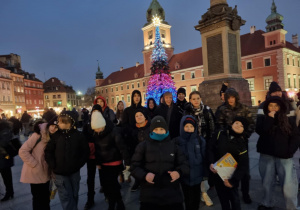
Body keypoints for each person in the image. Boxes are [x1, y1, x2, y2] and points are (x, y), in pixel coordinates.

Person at [130, 116, 189, 210]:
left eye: (161, 129)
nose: (159, 132)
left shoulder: (174, 146)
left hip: (172, 194)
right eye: (156, 129)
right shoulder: (143, 146)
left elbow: (185, 164)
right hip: (149, 195)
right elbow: (134, 167)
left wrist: (179, 172)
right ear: (152, 130)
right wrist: (144, 175)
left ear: (166, 130)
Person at [256, 96, 300, 210]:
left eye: (276, 106)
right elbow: (260, 131)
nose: (274, 108)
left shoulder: (287, 118)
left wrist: (290, 151)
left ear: (280, 107)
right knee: (267, 182)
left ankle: (292, 207)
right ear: (267, 107)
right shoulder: (263, 117)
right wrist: (269, 119)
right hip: (267, 155)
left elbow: (295, 135)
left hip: (284, 156)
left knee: (289, 186)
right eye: (271, 105)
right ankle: (267, 203)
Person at [216, 88, 254, 204]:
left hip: (242, 142)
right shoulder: (222, 109)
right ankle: (232, 189)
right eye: (228, 97)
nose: (230, 100)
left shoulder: (244, 108)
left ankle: (245, 193)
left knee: (245, 170)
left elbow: (251, 123)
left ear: (236, 97)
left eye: (232, 97)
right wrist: (225, 135)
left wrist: (245, 135)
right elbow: (219, 124)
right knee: (230, 167)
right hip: (228, 143)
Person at [44, 111, 89, 210]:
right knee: (65, 197)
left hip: (74, 171)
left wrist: (79, 164)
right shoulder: (56, 136)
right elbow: (48, 152)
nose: (58, 123)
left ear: (68, 123)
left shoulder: (78, 136)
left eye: (60, 122)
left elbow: (85, 152)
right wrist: (53, 165)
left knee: (74, 194)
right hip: (60, 173)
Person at [91, 104, 130, 210]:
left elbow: (122, 148)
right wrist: (98, 163)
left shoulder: (114, 132)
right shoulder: (96, 134)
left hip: (114, 162)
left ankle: (113, 204)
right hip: (104, 164)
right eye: (96, 129)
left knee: (112, 185)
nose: (98, 131)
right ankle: (119, 202)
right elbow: (97, 151)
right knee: (108, 185)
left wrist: (127, 163)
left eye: (99, 128)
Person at [208, 117, 250, 210]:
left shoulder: (242, 143)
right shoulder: (220, 133)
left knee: (234, 200)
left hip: (231, 176)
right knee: (223, 200)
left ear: (244, 129)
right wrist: (211, 163)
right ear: (232, 123)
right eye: (237, 123)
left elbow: (243, 165)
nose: (238, 126)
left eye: (242, 126)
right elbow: (210, 148)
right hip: (217, 173)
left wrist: (233, 181)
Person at [184, 91, 215, 206]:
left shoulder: (206, 110)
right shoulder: (187, 111)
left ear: (201, 98)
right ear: (190, 100)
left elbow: (212, 128)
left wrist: (211, 143)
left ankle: (204, 192)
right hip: (191, 144)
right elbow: (184, 128)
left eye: (198, 98)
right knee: (194, 167)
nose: (196, 101)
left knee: (204, 168)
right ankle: (195, 191)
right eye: (193, 99)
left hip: (204, 144)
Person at [19, 120, 58, 210]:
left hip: (46, 173)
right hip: (35, 172)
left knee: (46, 198)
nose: (53, 128)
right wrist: (35, 164)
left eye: (56, 127)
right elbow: (22, 151)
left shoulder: (53, 137)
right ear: (48, 125)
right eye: (52, 125)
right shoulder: (37, 135)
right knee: (37, 199)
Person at [175, 115, 207, 210]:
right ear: (182, 127)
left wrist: (205, 173)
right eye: (186, 126)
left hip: (197, 175)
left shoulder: (200, 140)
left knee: (196, 198)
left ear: (195, 128)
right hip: (184, 176)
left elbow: (204, 156)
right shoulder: (177, 141)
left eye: (191, 127)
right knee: (186, 197)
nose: (189, 129)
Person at [130, 109, 151, 192]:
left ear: (145, 117)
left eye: (140, 115)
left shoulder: (150, 127)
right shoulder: (133, 129)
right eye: (136, 116)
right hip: (138, 154)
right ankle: (137, 181)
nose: (138, 117)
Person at [0, 119, 14, 202]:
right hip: (3, 156)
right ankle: (9, 192)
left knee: (6, 176)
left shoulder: (4, 130)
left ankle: (9, 192)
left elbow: (4, 142)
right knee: (7, 175)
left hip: (5, 156)